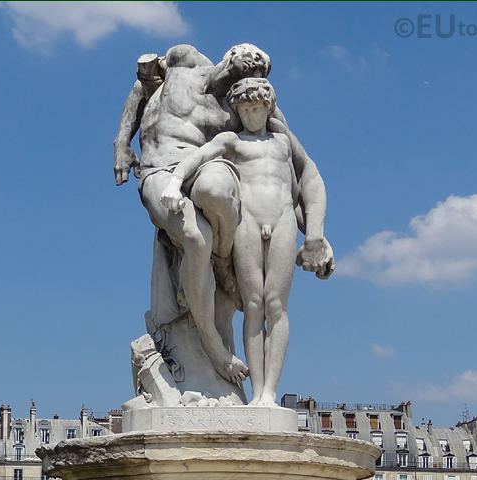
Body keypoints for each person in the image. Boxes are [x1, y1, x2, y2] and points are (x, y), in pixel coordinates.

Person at [114, 44, 334, 387]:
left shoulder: (248, 111)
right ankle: (215, 349)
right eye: (244, 70)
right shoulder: (184, 60)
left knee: (215, 190)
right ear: (230, 60)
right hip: (161, 169)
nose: (248, 83)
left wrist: (316, 235)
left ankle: (218, 263)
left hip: (206, 171)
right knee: (194, 237)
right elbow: (142, 84)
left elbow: (287, 179)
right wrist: (121, 142)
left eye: (256, 77)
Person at [160, 79, 296, 406]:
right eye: (245, 109)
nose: (251, 114)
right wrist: (176, 183)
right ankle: (256, 392)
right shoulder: (232, 140)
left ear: (268, 107)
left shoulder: (284, 143)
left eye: (257, 108)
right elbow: (199, 157)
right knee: (253, 304)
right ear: (236, 110)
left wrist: (317, 234)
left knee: (275, 306)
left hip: (283, 219)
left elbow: (311, 180)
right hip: (248, 221)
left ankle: (269, 394)